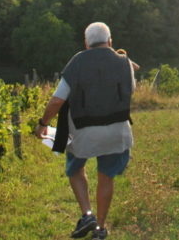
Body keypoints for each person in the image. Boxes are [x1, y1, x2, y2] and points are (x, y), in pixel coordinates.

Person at [34, 22, 135, 240]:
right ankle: (100, 227)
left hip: (83, 130)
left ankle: (86, 214)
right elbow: (130, 91)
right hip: (117, 129)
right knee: (106, 177)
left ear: (86, 43)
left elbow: (57, 100)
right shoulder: (124, 62)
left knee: (74, 169)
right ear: (110, 41)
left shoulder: (78, 61)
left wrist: (43, 123)